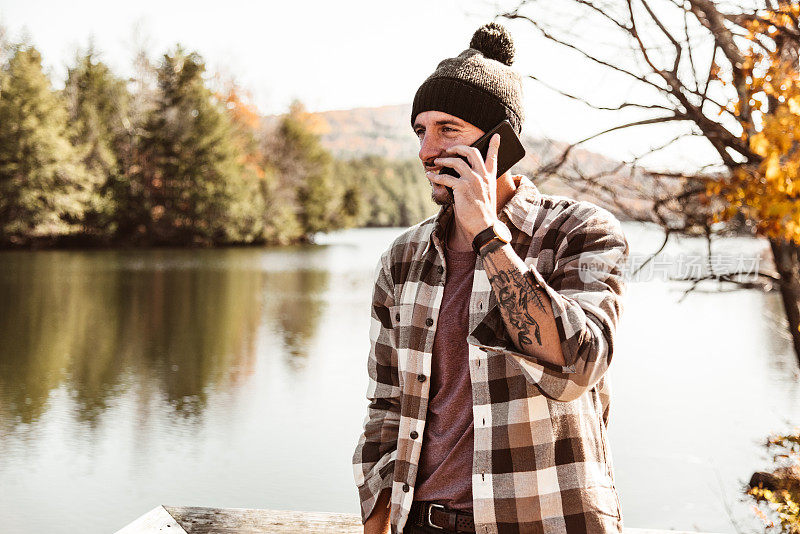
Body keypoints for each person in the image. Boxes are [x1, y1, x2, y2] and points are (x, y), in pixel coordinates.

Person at [353, 22, 629, 534]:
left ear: (499, 142)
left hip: (546, 521)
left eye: (447, 129)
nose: (426, 151)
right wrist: (377, 519)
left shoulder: (581, 233)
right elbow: (385, 405)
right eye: (420, 130)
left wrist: (488, 237)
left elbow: (580, 365)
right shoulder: (402, 258)